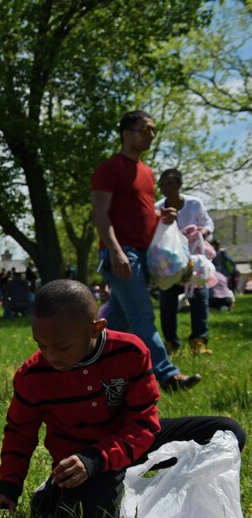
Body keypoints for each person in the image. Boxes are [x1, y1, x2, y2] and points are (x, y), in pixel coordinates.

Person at [0, 279, 243, 518]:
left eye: (62, 347)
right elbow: (20, 433)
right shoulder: (33, 375)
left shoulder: (130, 352)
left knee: (226, 433)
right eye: (41, 345)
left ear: (96, 329)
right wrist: (9, 488)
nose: (50, 356)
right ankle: (51, 498)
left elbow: (144, 423)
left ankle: (169, 493)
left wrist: (100, 457)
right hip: (79, 463)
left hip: (131, 445)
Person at [90, 110, 199, 392]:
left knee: (117, 321)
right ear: (127, 134)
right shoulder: (109, 168)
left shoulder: (148, 173)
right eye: (145, 129)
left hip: (141, 254)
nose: (151, 134)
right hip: (122, 254)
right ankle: (168, 375)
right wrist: (115, 252)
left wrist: (161, 217)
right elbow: (101, 214)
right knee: (142, 316)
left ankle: (87, 363)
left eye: (153, 130)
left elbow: (142, 211)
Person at [156, 168, 215, 356]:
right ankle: (171, 343)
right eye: (163, 185)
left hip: (194, 261)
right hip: (169, 264)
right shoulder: (158, 208)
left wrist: (203, 233)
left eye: (170, 184)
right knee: (167, 304)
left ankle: (198, 341)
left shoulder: (194, 204)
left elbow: (209, 224)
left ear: (179, 185)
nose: (166, 188)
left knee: (199, 300)